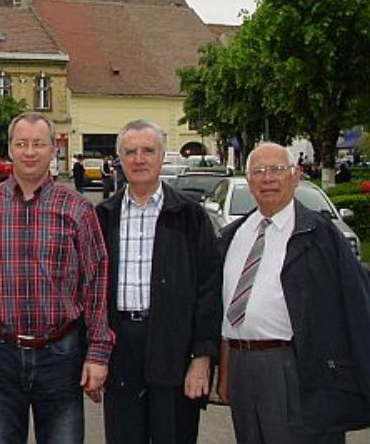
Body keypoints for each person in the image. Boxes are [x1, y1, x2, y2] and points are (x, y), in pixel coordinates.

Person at [0, 112, 113, 444]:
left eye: (38, 144)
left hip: (60, 353)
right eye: (22, 144)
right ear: (10, 149)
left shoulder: (77, 208)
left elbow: (96, 282)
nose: (30, 152)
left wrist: (98, 352)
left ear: (53, 149)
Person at [217, 142, 370, 444]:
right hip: (241, 367)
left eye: (277, 169)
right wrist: (225, 372)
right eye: (259, 171)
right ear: (249, 181)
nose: (268, 178)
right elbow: (226, 311)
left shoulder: (321, 236)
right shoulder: (234, 235)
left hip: (297, 368)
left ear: (296, 175)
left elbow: (356, 308)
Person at [95, 119, 221, 444]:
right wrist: (93, 354)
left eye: (148, 151)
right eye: (131, 152)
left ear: (162, 157)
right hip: (121, 346)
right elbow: (89, 288)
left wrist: (202, 358)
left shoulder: (190, 216)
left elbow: (209, 290)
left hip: (174, 346)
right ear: (119, 159)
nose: (139, 159)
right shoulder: (102, 216)